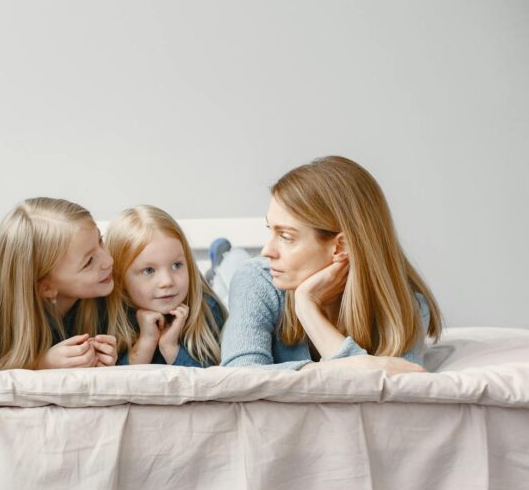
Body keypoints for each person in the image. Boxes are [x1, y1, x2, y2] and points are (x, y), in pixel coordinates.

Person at [220, 155, 442, 375]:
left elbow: (403, 385)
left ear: (341, 246)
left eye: (286, 237)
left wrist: (307, 308)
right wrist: (354, 365)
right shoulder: (256, 279)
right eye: (271, 230)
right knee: (232, 268)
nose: (266, 251)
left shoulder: (406, 305)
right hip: (238, 277)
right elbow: (239, 375)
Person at [0, 197, 118, 373]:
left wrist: (110, 362)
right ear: (46, 288)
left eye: (100, 241)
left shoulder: (105, 298)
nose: (109, 260)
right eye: (89, 261)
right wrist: (40, 365)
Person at [105, 205, 226, 367]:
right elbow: (114, 385)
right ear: (119, 279)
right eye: (149, 270)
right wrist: (146, 342)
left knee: (229, 272)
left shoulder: (205, 307)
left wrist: (170, 347)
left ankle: (221, 265)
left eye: (177, 265)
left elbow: (211, 385)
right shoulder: (110, 314)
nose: (167, 281)